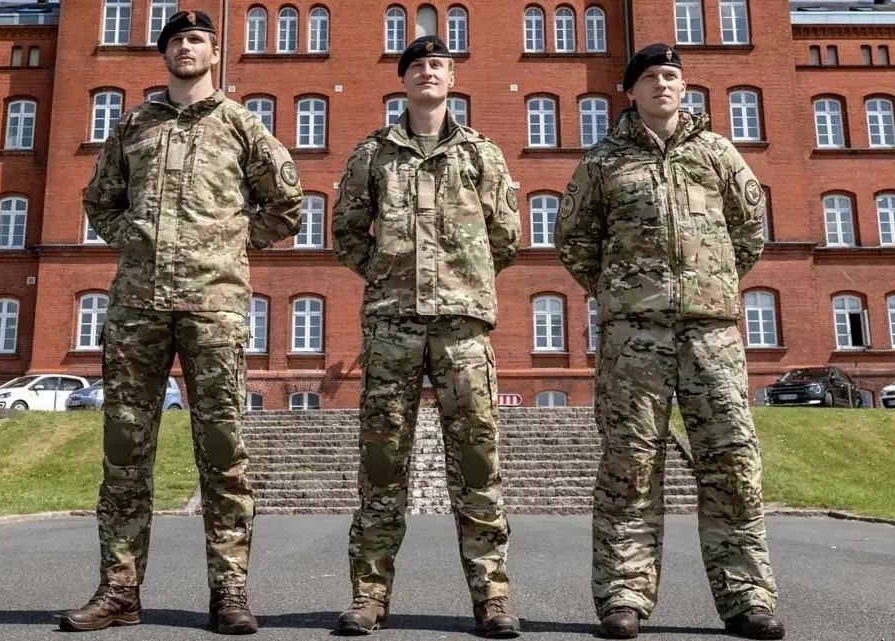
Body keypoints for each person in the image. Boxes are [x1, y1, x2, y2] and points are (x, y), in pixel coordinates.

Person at [59, 10, 303, 635]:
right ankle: (119, 591)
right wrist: (134, 237)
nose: (186, 47)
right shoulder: (133, 125)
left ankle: (229, 592)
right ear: (163, 54)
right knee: (125, 451)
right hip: (137, 308)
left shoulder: (243, 125)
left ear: (215, 52)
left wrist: (228, 244)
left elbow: (286, 205)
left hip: (213, 307)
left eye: (197, 39)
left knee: (223, 451)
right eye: (176, 41)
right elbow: (99, 201)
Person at [553, 43, 785, 640]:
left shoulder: (717, 153)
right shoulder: (603, 162)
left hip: (712, 334)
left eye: (672, 76)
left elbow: (749, 228)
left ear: (684, 87)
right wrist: (622, 288)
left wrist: (713, 282)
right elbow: (573, 239)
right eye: (651, 77)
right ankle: (624, 596)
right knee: (630, 463)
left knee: (732, 459)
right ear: (631, 91)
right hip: (633, 336)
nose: (663, 84)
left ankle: (747, 597)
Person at [330, 35, 523, 639]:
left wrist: (464, 281)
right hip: (392, 326)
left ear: (452, 77)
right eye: (417, 66)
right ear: (403, 80)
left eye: (438, 64)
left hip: (463, 328)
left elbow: (506, 234)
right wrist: (388, 275)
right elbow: (346, 230)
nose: (428, 73)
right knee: (382, 462)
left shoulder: (482, 154)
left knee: (477, 462)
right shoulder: (372, 154)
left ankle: (492, 597)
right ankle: (368, 595)